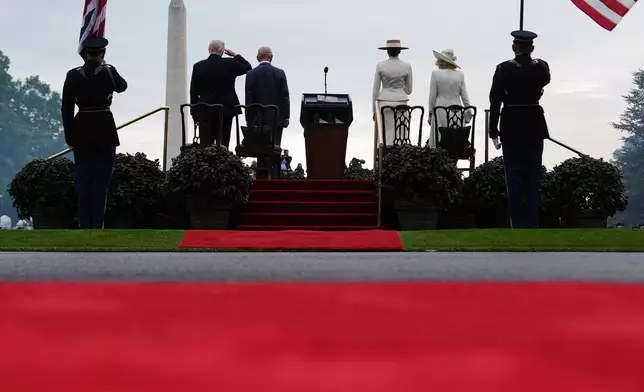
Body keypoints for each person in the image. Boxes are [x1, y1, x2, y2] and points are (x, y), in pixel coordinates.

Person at [61, 36, 128, 229]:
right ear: (103, 53)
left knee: (83, 179)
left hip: (81, 129)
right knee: (101, 180)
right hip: (104, 130)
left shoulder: (72, 75)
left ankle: (84, 223)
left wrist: (69, 135)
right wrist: (108, 67)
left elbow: (66, 108)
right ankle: (97, 224)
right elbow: (122, 87)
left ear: (85, 54)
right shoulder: (108, 72)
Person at [488, 30, 551, 229]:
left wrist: (493, 130)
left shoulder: (504, 69)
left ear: (514, 47)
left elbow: (495, 100)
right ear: (532, 48)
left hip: (512, 125)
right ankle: (532, 221)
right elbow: (544, 80)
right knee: (533, 175)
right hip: (534, 124)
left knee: (514, 176)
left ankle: (517, 221)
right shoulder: (541, 67)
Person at [190, 40, 252, 148]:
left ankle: (205, 163)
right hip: (226, 109)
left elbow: (193, 91)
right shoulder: (230, 63)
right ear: (222, 51)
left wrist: (194, 112)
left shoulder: (198, 66)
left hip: (205, 109)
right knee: (223, 142)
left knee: (205, 143)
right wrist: (235, 55)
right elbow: (248, 67)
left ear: (209, 50)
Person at [245, 46, 290, 147]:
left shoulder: (251, 74)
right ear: (271, 57)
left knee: (259, 148)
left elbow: (249, 98)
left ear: (258, 57)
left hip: (257, 118)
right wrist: (286, 116)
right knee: (275, 147)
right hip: (276, 117)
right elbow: (284, 97)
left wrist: (249, 119)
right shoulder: (280, 73)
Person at [427, 49, 472, 149]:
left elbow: (432, 96)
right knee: (455, 141)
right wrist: (468, 111)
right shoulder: (460, 75)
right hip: (457, 111)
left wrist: (430, 113)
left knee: (440, 139)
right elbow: (465, 96)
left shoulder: (435, 74)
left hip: (440, 110)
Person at [372, 39, 413, 146]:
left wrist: (374, 110)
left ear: (387, 51)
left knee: (384, 131)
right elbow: (409, 90)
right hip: (401, 101)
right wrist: (399, 85)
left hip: (384, 101)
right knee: (400, 131)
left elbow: (375, 90)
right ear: (399, 51)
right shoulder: (407, 66)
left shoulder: (380, 66)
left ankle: (382, 153)